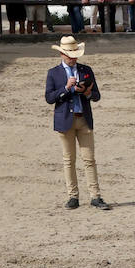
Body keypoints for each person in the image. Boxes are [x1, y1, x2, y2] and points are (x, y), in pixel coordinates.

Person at [44, 36, 108, 211]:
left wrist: (86, 92)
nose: (73, 58)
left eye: (75, 55)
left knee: (89, 160)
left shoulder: (86, 70)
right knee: (69, 160)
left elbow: (96, 95)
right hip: (65, 120)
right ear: (62, 54)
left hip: (83, 119)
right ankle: (73, 196)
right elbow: (49, 98)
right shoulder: (53, 73)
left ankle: (95, 196)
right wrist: (65, 88)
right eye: (70, 55)